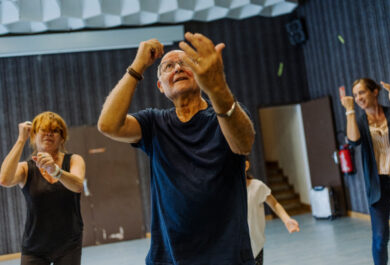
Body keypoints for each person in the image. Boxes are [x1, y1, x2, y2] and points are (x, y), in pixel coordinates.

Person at [97, 32, 256, 265]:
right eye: (168, 66)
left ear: (200, 75)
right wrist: (137, 66)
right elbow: (108, 125)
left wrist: (218, 88)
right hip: (168, 258)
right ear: (160, 86)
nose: (177, 68)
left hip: (227, 257)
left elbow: (243, 143)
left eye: (185, 63)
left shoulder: (224, 114)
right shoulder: (154, 123)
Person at [0, 111, 86, 265]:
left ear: (62, 137)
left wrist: (56, 171)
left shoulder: (74, 160)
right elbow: (4, 180)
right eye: (43, 130)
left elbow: (78, 185)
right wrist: (21, 139)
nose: (49, 134)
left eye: (54, 130)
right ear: (33, 136)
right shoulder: (26, 169)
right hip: (35, 246)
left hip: (69, 244)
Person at [340, 78, 390, 265]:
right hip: (377, 184)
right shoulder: (359, 121)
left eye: (362, 92)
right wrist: (349, 110)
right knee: (380, 238)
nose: (358, 97)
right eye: (356, 94)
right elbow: (354, 141)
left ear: (374, 92)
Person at [245, 158, 299, 265]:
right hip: (236, 249)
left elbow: (274, 204)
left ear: (246, 165)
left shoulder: (257, 186)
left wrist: (286, 219)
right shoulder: (226, 190)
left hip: (256, 247)